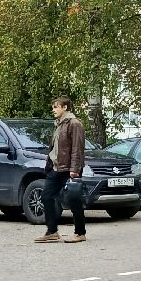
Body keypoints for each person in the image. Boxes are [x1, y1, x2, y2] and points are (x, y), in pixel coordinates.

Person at [37, 96, 87, 244]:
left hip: (69, 169)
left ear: (65, 107)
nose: (53, 110)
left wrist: (74, 169)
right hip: (57, 168)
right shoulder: (59, 124)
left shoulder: (74, 123)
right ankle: (52, 232)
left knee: (74, 200)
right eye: (53, 107)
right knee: (46, 196)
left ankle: (80, 233)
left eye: (56, 107)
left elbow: (78, 148)